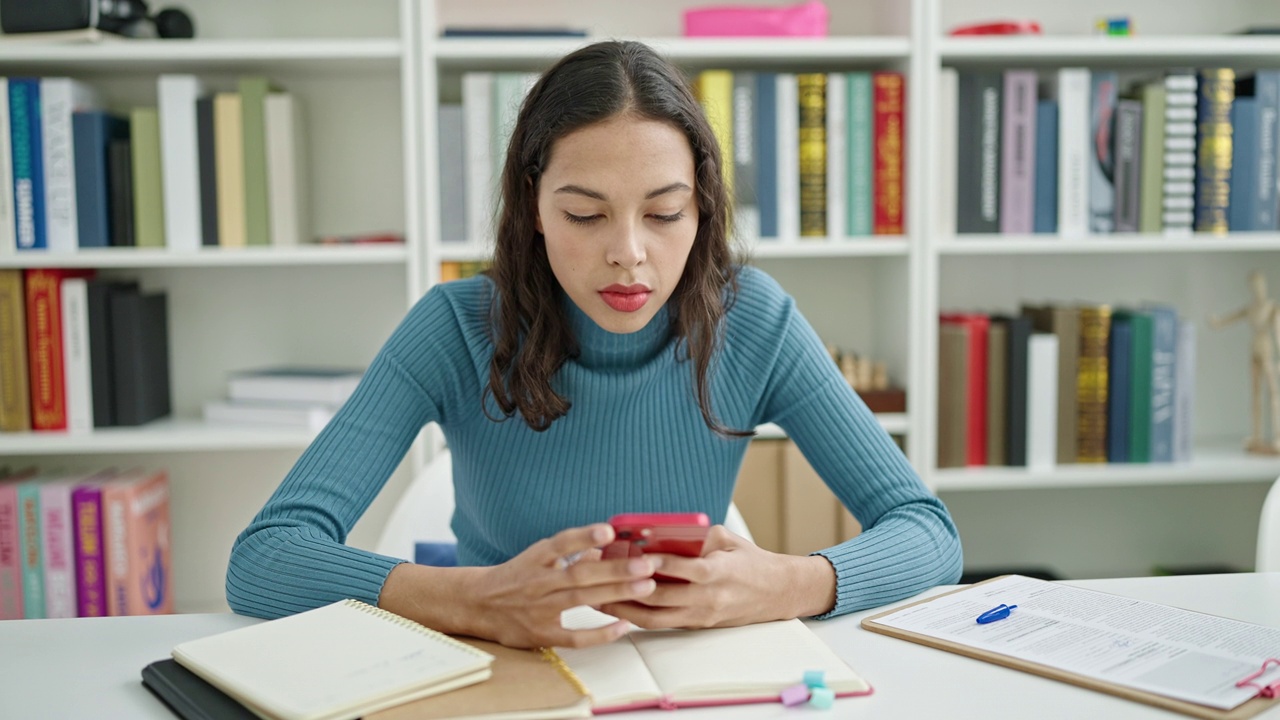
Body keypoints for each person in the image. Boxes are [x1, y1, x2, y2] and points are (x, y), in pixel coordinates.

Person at [227, 40, 962, 649]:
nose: (629, 255)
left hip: (689, 676)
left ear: (702, 207)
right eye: (585, 215)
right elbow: (265, 557)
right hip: (503, 670)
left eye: (665, 212)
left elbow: (929, 533)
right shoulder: (455, 327)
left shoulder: (754, 322)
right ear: (536, 207)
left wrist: (788, 581)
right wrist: (477, 600)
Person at [1210, 270, 1280, 454]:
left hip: (1267, 347)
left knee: (1273, 392)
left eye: (1260, 285)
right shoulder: (1251, 309)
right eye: (1254, 286)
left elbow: (1278, 332)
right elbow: (1233, 317)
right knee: (1255, 392)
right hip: (1254, 347)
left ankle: (1277, 435)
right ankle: (1256, 435)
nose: (1257, 289)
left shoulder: (1271, 307)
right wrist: (1218, 322)